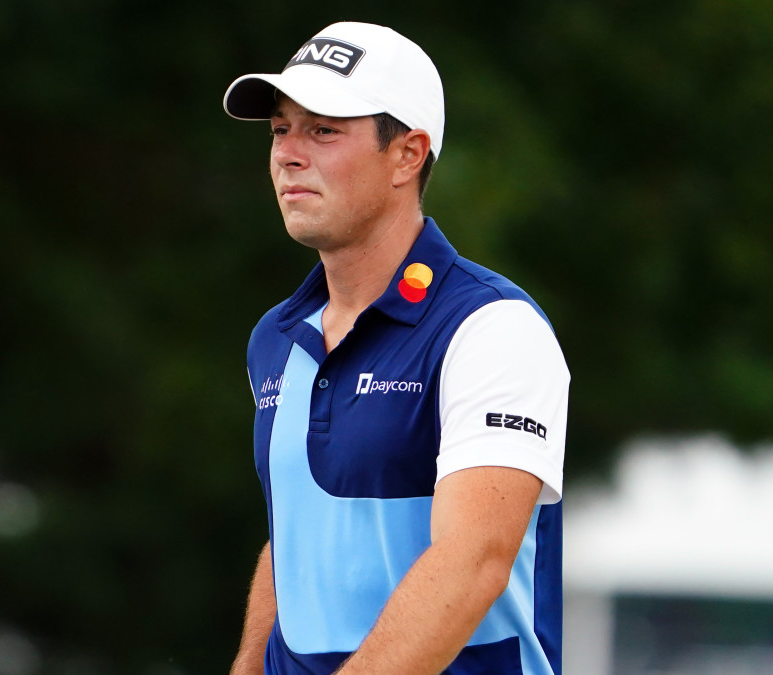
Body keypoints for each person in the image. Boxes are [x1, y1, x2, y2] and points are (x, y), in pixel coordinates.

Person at [221, 22, 570, 675]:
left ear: (408, 154)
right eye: (280, 129)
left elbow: (473, 563)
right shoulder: (276, 337)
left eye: (323, 130)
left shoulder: (493, 327)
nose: (289, 153)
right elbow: (296, 539)